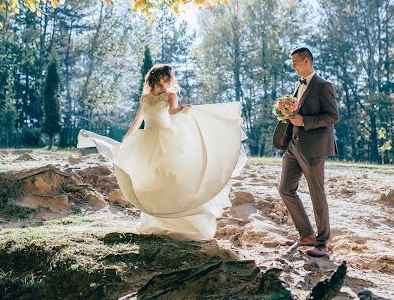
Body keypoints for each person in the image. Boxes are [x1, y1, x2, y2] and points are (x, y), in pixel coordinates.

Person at [78, 64, 246, 241]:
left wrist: (184, 109)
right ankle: (156, 222)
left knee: (169, 178)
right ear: (156, 77)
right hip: (147, 141)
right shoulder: (145, 98)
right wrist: (127, 140)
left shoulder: (170, 95)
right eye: (166, 77)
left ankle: (181, 220)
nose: (168, 81)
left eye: (169, 78)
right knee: (151, 179)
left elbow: (173, 112)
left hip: (166, 140)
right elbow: (137, 121)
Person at [275, 47, 339, 258]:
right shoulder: (297, 85)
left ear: (306, 61)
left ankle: (322, 243)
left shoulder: (323, 85)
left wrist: (305, 121)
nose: (292, 66)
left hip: (313, 148)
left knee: (316, 194)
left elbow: (333, 116)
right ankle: (307, 235)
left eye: (295, 62)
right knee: (285, 189)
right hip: (292, 145)